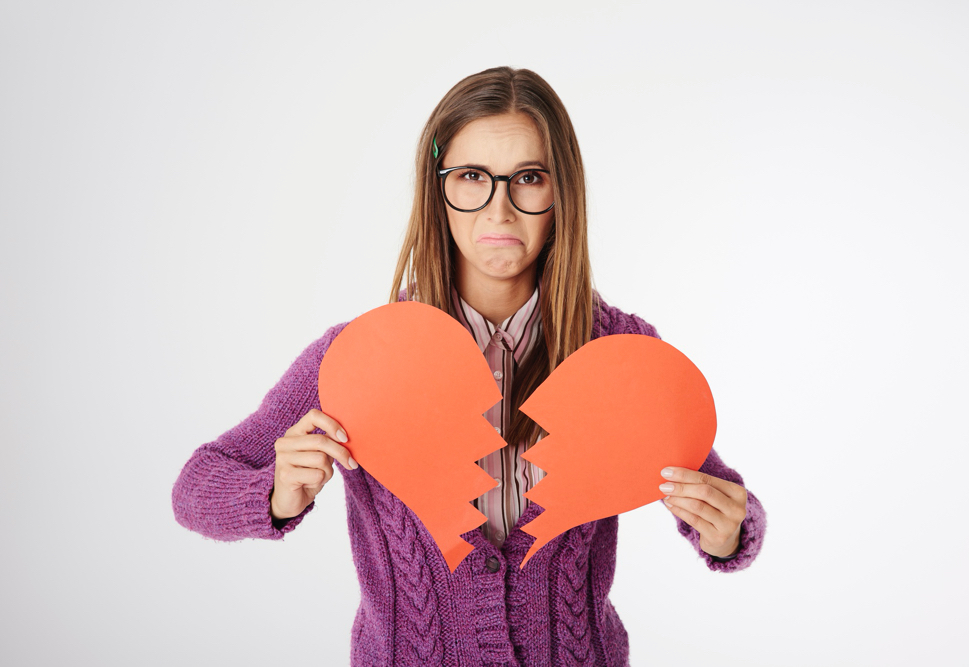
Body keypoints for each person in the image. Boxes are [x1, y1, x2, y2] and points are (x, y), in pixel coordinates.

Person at [172, 66, 766, 666]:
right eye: (472, 177)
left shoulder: (618, 350)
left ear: (562, 191)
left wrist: (728, 532)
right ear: (438, 189)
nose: (499, 209)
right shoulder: (360, 356)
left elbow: (715, 490)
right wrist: (274, 494)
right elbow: (195, 489)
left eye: (528, 178)